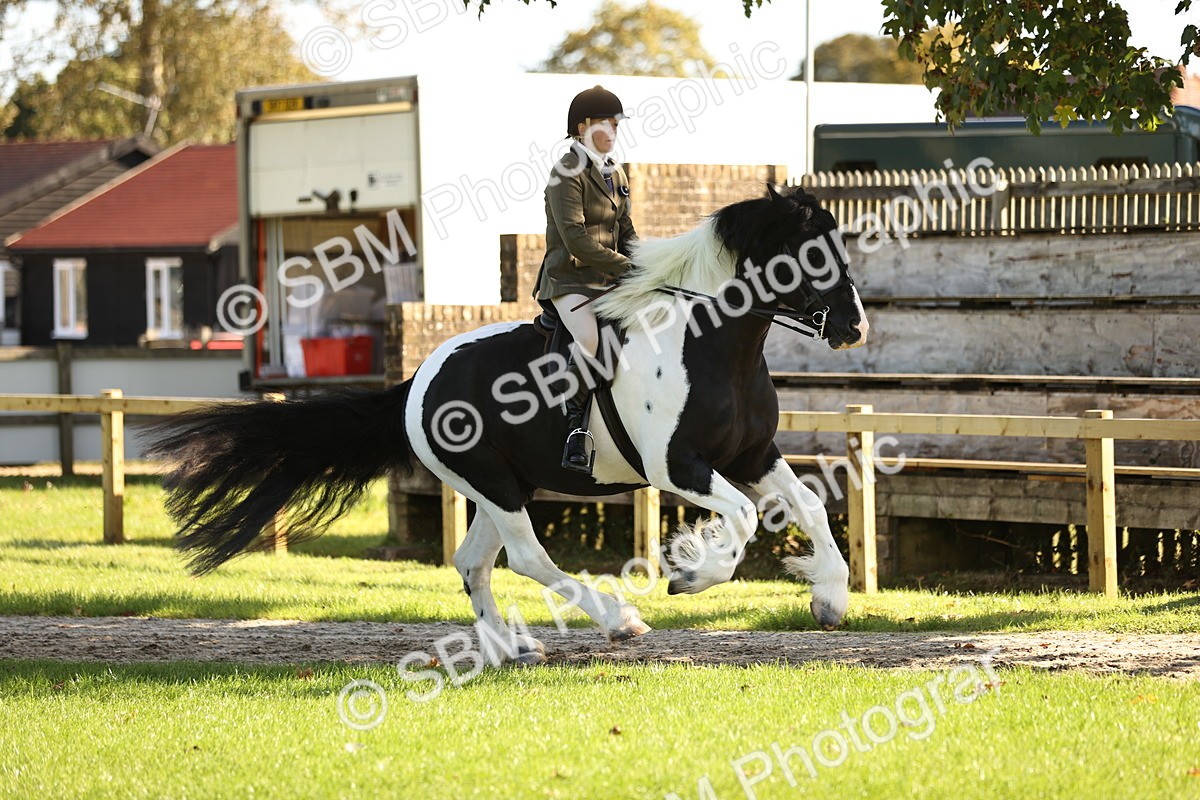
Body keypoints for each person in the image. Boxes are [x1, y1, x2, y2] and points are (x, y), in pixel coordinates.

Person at [534, 85, 638, 475]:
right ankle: (575, 425)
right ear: (583, 128)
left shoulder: (615, 171)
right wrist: (625, 268)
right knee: (592, 342)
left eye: (616, 124)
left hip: (608, 278)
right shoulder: (566, 171)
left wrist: (647, 264)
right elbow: (575, 238)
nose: (613, 131)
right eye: (605, 124)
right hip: (570, 280)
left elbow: (625, 229)